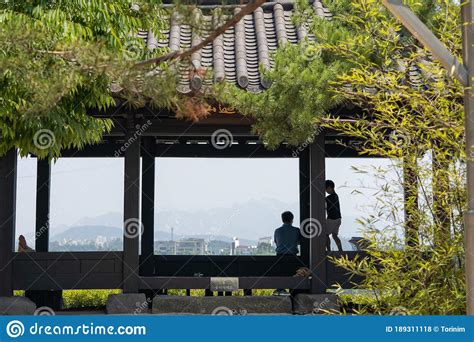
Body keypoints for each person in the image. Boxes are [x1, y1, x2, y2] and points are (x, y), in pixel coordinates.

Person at [273, 211, 300, 295]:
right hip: (293, 257)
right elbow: (299, 242)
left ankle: (280, 289)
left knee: (280, 273)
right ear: (292, 219)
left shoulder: (277, 231)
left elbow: (276, 242)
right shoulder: (296, 230)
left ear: (282, 220)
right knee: (293, 274)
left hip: (280, 257)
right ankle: (293, 291)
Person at [325, 180, 343, 252]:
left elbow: (325, 203)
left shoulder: (330, 198)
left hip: (332, 219)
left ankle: (328, 250)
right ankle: (341, 250)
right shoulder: (336, 196)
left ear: (329, 188)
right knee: (334, 235)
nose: (325, 191)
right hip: (338, 218)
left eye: (326, 189)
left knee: (325, 234)